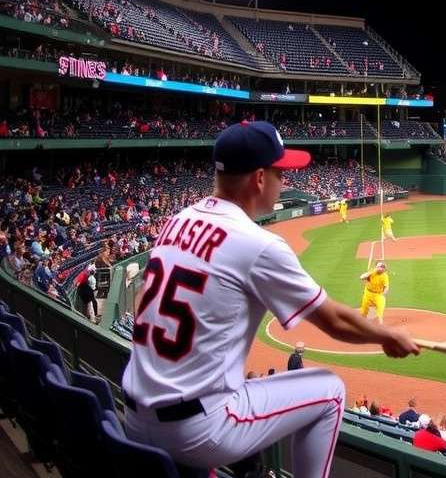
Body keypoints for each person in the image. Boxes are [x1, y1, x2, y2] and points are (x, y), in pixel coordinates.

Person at [121, 121, 419, 475]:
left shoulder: (177, 220)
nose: (285, 181)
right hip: (197, 432)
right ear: (259, 179)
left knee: (241, 382)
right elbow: (334, 322)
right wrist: (386, 336)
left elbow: (142, 300)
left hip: (133, 420)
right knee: (331, 391)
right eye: (281, 172)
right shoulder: (257, 243)